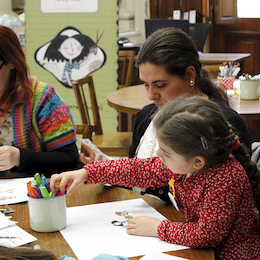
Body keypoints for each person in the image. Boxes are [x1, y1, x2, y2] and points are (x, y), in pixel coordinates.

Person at [51, 96, 260, 260]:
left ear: (197, 162)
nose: (158, 154)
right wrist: (88, 172)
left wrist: (157, 228)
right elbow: (137, 170)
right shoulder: (183, 164)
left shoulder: (226, 179)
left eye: (166, 152)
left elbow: (207, 234)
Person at [80, 27, 252, 202]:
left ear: (190, 75)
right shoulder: (146, 116)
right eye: (146, 85)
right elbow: (138, 177)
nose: (151, 95)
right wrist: (106, 167)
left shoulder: (221, 123)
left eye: (160, 85)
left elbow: (224, 200)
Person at [0, 25, 79, 178]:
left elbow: (70, 160)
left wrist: (19, 157)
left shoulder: (42, 98)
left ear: (12, 62)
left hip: (33, 196)